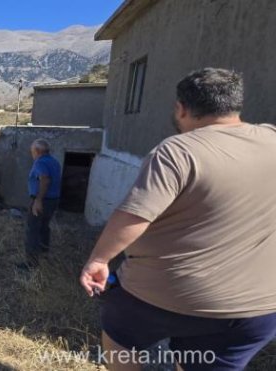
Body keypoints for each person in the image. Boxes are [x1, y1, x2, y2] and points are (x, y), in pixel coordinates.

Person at [80, 68, 276, 370]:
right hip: (257, 308)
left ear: (181, 108)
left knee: (119, 339)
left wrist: (99, 259)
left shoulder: (179, 151)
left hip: (166, 296)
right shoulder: (271, 138)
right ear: (236, 103)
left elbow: (135, 215)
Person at [23, 138, 61, 268]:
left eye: (32, 151)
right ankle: (44, 254)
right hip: (53, 200)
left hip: (43, 200)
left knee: (33, 230)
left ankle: (31, 263)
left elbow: (45, 180)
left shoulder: (40, 162)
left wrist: (38, 200)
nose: (32, 154)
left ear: (38, 151)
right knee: (44, 227)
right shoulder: (54, 162)